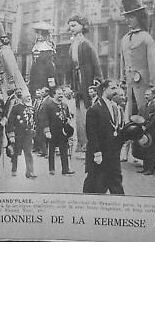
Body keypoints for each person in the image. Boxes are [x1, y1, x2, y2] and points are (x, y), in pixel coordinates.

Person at [120, 0, 155, 121]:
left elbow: (153, 67)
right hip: (130, 86)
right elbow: (123, 64)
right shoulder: (124, 39)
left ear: (139, 17)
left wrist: (154, 87)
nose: (127, 20)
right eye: (126, 17)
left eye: (131, 17)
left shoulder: (147, 38)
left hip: (144, 83)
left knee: (145, 115)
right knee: (130, 116)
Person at [67, 14, 103, 151]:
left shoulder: (86, 44)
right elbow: (71, 65)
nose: (71, 28)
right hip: (77, 80)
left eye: (74, 25)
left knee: (88, 111)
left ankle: (91, 143)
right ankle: (82, 142)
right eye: (70, 26)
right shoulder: (72, 45)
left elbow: (95, 62)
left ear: (82, 26)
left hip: (87, 78)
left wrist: (97, 78)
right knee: (79, 112)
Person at [83, 79, 125, 195]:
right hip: (100, 155)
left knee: (116, 186)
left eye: (116, 88)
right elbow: (91, 133)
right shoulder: (95, 109)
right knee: (96, 186)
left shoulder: (116, 108)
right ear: (104, 89)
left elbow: (117, 129)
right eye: (113, 88)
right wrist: (97, 152)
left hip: (113, 156)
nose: (116, 91)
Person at [43, 87, 75, 176]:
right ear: (54, 95)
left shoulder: (64, 105)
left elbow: (67, 115)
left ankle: (65, 169)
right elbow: (45, 119)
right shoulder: (48, 105)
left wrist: (68, 119)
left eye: (62, 94)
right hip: (52, 131)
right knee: (51, 150)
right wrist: (47, 131)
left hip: (63, 132)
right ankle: (51, 169)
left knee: (64, 150)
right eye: (59, 94)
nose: (61, 95)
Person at [7, 94, 37, 179]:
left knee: (28, 153)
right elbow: (11, 122)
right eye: (27, 96)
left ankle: (30, 172)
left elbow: (33, 121)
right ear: (22, 98)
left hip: (28, 134)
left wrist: (33, 131)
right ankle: (14, 170)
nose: (29, 98)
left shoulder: (31, 108)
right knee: (15, 153)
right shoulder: (16, 107)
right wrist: (11, 135)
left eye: (29, 97)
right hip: (18, 134)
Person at [138, 88, 155, 175]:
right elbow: (139, 117)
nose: (146, 96)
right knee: (145, 150)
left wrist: (146, 127)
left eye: (148, 94)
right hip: (145, 133)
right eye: (145, 94)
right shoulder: (143, 106)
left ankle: (150, 169)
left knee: (152, 151)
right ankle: (145, 167)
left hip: (154, 133)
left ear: (153, 95)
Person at [29, 22, 57, 97]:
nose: (38, 36)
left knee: (44, 89)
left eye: (39, 34)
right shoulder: (36, 45)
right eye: (37, 34)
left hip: (44, 72)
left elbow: (49, 64)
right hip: (36, 71)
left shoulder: (47, 46)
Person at [35, 87, 51, 157]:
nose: (41, 94)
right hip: (40, 122)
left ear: (47, 93)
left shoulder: (49, 100)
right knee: (41, 137)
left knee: (47, 138)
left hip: (46, 122)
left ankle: (48, 153)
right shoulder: (41, 100)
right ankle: (43, 151)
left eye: (42, 92)